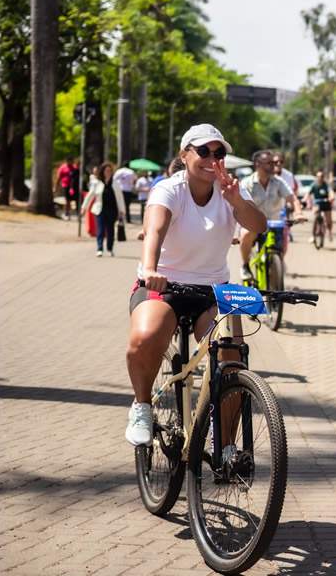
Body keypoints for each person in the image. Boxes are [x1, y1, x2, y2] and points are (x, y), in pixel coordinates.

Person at [125, 123, 266, 448]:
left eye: (219, 153)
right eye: (203, 151)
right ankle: (142, 406)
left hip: (212, 291)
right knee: (145, 338)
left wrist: (237, 202)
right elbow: (155, 230)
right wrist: (150, 268)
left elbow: (257, 225)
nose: (212, 158)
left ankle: (225, 447)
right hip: (164, 285)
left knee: (231, 359)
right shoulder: (169, 189)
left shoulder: (231, 188)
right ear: (184, 154)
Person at [239, 150, 304, 281]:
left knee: (283, 243)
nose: (273, 165)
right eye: (269, 163)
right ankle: (245, 266)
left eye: (274, 162)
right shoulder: (247, 183)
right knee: (246, 234)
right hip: (254, 224)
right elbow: (238, 206)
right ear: (257, 164)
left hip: (275, 224)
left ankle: (277, 264)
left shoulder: (278, 182)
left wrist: (298, 213)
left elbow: (293, 199)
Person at [82, 162, 125, 257]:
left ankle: (110, 248)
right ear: (103, 172)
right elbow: (90, 195)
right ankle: (99, 248)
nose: (108, 172)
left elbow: (120, 197)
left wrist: (122, 210)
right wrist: (84, 207)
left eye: (110, 171)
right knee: (100, 229)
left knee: (110, 230)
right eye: (106, 171)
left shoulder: (115, 183)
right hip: (100, 209)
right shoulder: (97, 183)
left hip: (112, 210)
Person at [305, 170, 335, 243]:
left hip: (326, 204)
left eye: (321, 176)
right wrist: (306, 200)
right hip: (317, 203)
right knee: (315, 215)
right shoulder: (314, 185)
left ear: (323, 177)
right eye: (318, 176)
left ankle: (330, 232)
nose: (320, 178)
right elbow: (308, 194)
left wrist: (332, 197)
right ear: (316, 177)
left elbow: (331, 192)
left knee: (328, 221)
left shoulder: (326, 185)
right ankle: (313, 235)